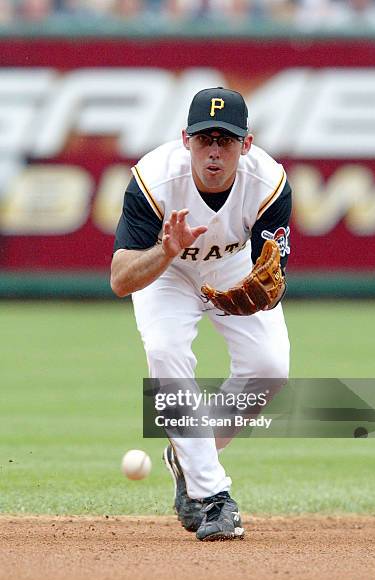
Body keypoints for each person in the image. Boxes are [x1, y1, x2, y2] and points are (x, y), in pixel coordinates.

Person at [111, 87, 291, 541]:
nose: (214, 151)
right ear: (185, 138)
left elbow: (271, 273)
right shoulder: (154, 179)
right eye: (205, 139)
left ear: (245, 144)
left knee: (269, 368)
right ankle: (212, 496)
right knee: (165, 350)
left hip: (232, 265)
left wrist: (260, 294)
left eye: (226, 140)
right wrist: (165, 250)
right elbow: (121, 280)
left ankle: (191, 455)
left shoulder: (269, 183)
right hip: (167, 270)